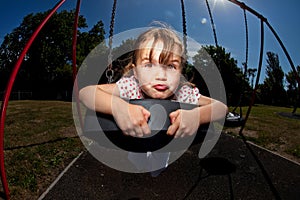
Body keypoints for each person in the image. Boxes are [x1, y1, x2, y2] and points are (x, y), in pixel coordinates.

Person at [79, 23, 228, 176]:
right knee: (137, 160)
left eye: (170, 66)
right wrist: (117, 106)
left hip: (165, 142)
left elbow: (221, 108)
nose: (161, 76)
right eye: (149, 65)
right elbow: (86, 93)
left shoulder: (183, 92)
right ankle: (140, 165)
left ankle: (155, 170)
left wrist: (196, 116)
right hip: (135, 137)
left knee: (159, 164)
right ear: (135, 72)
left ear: (181, 72)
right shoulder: (130, 86)